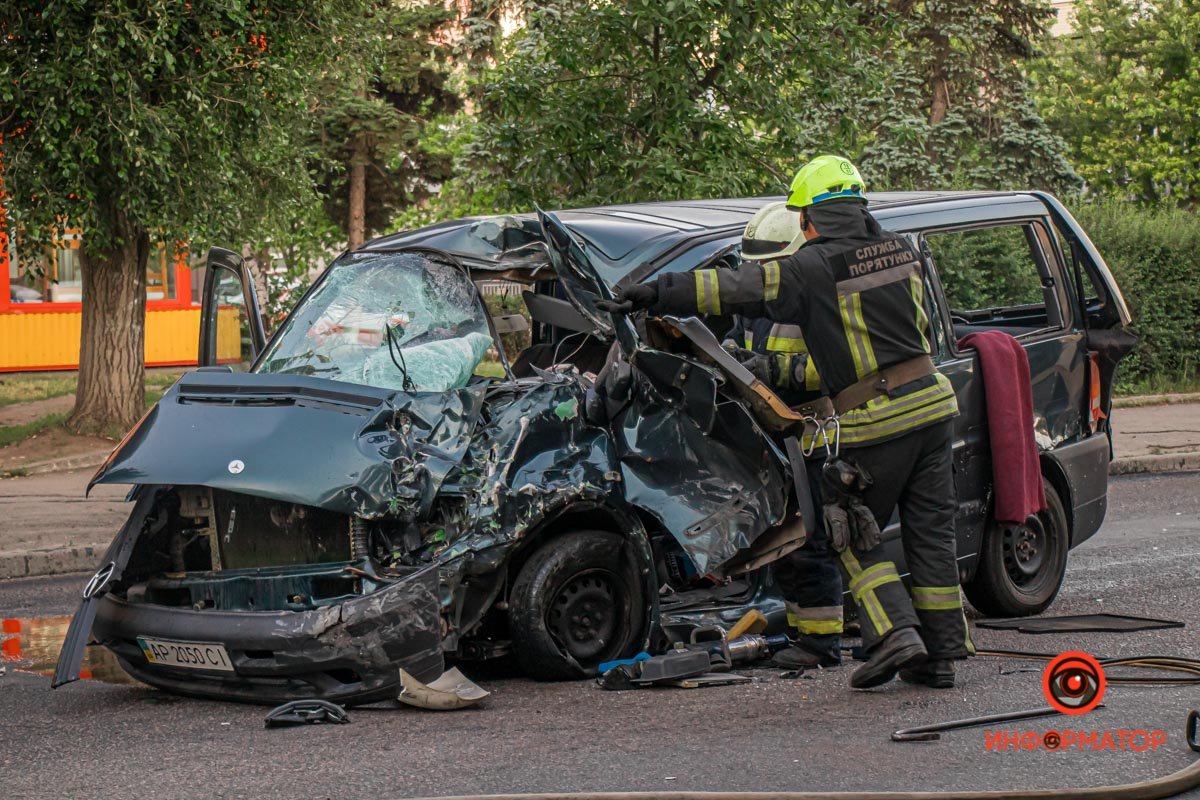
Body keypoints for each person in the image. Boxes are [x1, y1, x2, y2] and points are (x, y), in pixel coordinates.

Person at [599, 156, 973, 689]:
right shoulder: (900, 249)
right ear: (859, 207)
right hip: (935, 409)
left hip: (876, 417)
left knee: (846, 524)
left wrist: (656, 293)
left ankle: (895, 635)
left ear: (808, 221)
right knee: (931, 534)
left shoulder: (813, 267)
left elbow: (734, 288)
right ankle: (939, 659)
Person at [725, 202, 842, 670]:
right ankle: (805, 634)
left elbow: (836, 366)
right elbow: (738, 344)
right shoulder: (758, 302)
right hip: (775, 443)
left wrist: (771, 368)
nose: (762, 276)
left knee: (812, 544)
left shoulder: (821, 297)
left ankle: (821, 645)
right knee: (789, 546)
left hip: (817, 440)